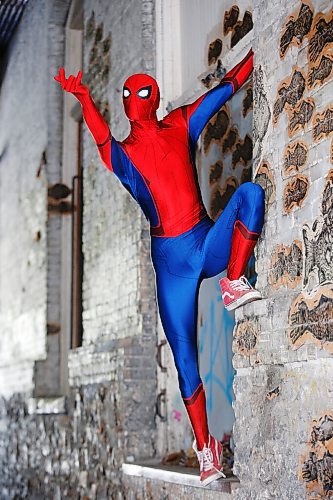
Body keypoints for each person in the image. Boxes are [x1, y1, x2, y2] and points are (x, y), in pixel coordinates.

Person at [54, 48, 265, 486]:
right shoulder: (125, 157)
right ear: (126, 102)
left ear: (155, 95)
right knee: (186, 358)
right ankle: (206, 451)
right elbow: (100, 138)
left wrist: (259, 45)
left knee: (251, 196)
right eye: (129, 93)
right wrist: (85, 100)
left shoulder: (181, 122)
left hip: (205, 242)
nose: (136, 97)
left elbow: (226, 89)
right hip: (171, 268)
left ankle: (233, 280)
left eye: (142, 90)